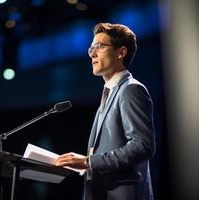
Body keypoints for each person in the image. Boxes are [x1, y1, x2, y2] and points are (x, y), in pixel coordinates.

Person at [54, 23, 156, 200]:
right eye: (91, 48)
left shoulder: (131, 90)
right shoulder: (110, 91)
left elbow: (142, 146)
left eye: (100, 46)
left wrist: (88, 162)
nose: (92, 54)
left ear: (121, 52)